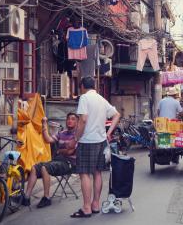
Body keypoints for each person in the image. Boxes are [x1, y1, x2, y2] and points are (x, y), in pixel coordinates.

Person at [71, 76, 121, 218]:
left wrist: (76, 138)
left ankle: (86, 208)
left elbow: (83, 119)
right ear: (95, 86)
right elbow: (117, 115)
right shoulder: (101, 99)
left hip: (87, 141)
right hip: (101, 141)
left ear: (82, 86)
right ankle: (95, 204)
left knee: (84, 173)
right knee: (97, 172)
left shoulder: (84, 98)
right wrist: (108, 132)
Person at [23, 113, 78, 208]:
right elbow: (48, 140)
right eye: (68, 119)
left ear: (77, 122)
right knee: (34, 168)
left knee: (45, 168)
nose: (70, 120)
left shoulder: (77, 135)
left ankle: (47, 197)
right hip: (57, 161)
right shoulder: (62, 133)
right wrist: (44, 125)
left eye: (73, 119)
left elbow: (70, 152)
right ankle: (26, 197)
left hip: (69, 163)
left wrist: (59, 150)